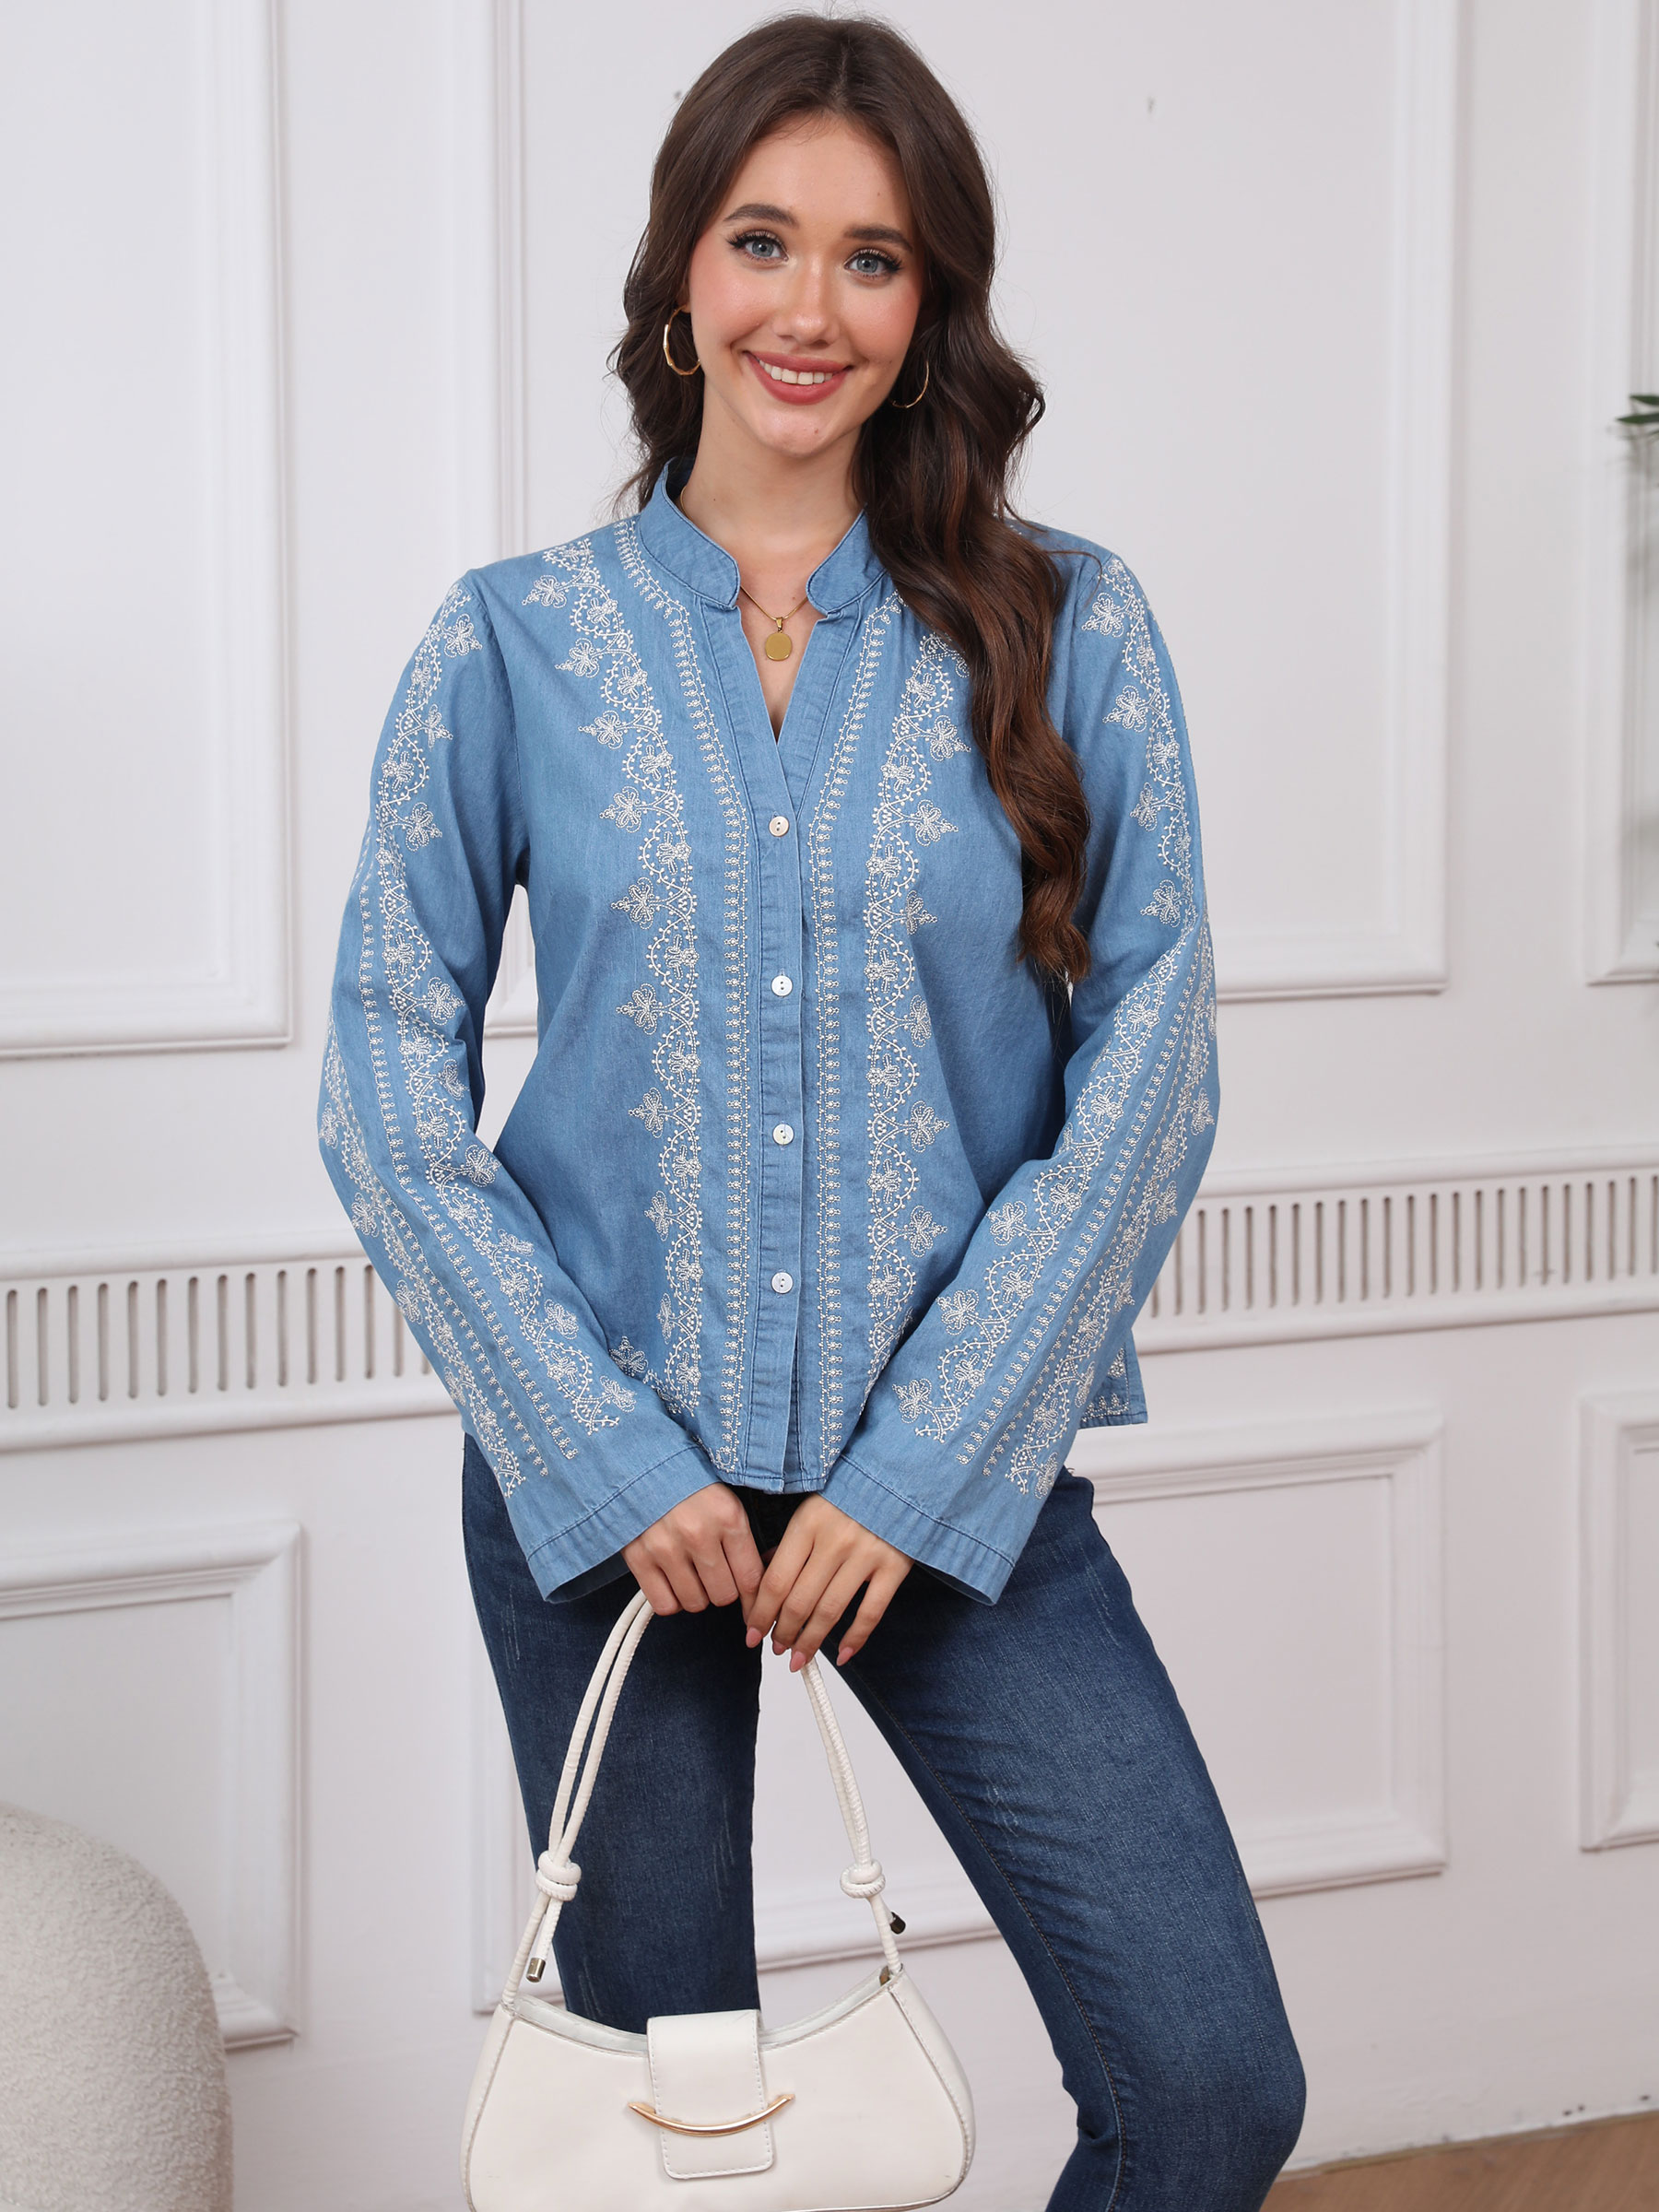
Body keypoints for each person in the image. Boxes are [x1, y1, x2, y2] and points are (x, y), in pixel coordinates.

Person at [317, 14, 1305, 2206]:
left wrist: (928, 1466)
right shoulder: (509, 647)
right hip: (615, 1517)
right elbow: (383, 1072)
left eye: (875, 258)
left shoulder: (1070, 626)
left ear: (929, 302)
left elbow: (1157, 1059)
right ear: (683, 272)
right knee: (682, 2152)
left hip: (948, 1489)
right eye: (765, 240)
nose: (813, 306)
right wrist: (598, 1451)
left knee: (1212, 2086)